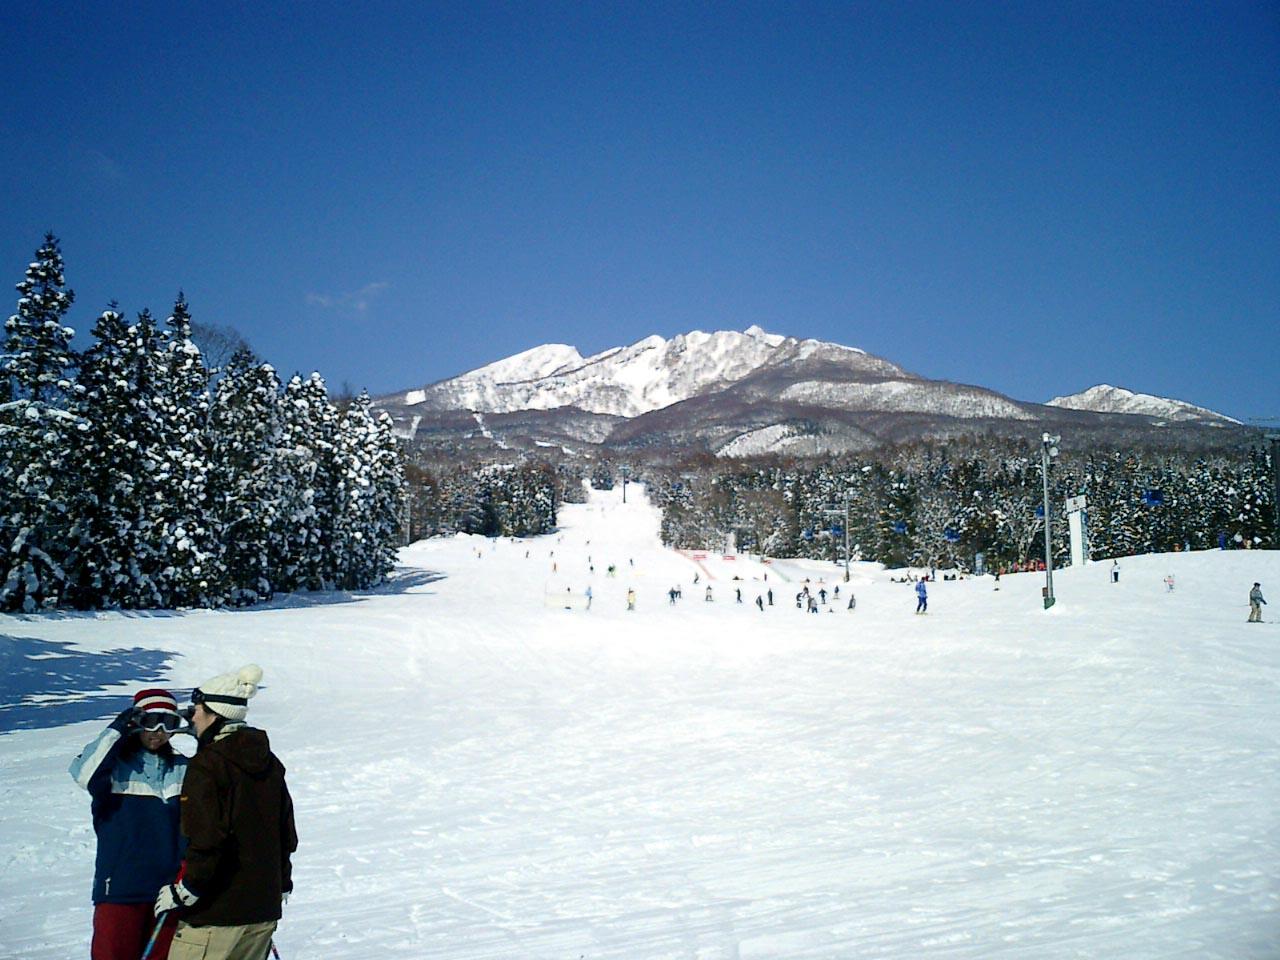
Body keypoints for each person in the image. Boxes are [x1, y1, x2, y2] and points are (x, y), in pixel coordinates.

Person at [156, 665, 296, 960]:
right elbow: (284, 833)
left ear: (215, 713)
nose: (191, 717)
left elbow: (206, 838)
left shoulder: (208, 765)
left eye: (196, 709)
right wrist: (282, 883)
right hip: (262, 908)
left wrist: (187, 888)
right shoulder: (269, 762)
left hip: (216, 914)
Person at [70, 689, 188, 960]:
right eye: (151, 721)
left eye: (168, 723)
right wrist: (117, 729)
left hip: (168, 892)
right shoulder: (114, 768)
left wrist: (202, 734)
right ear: (136, 722)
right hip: (120, 889)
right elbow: (83, 773)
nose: (158, 731)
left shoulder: (183, 768)